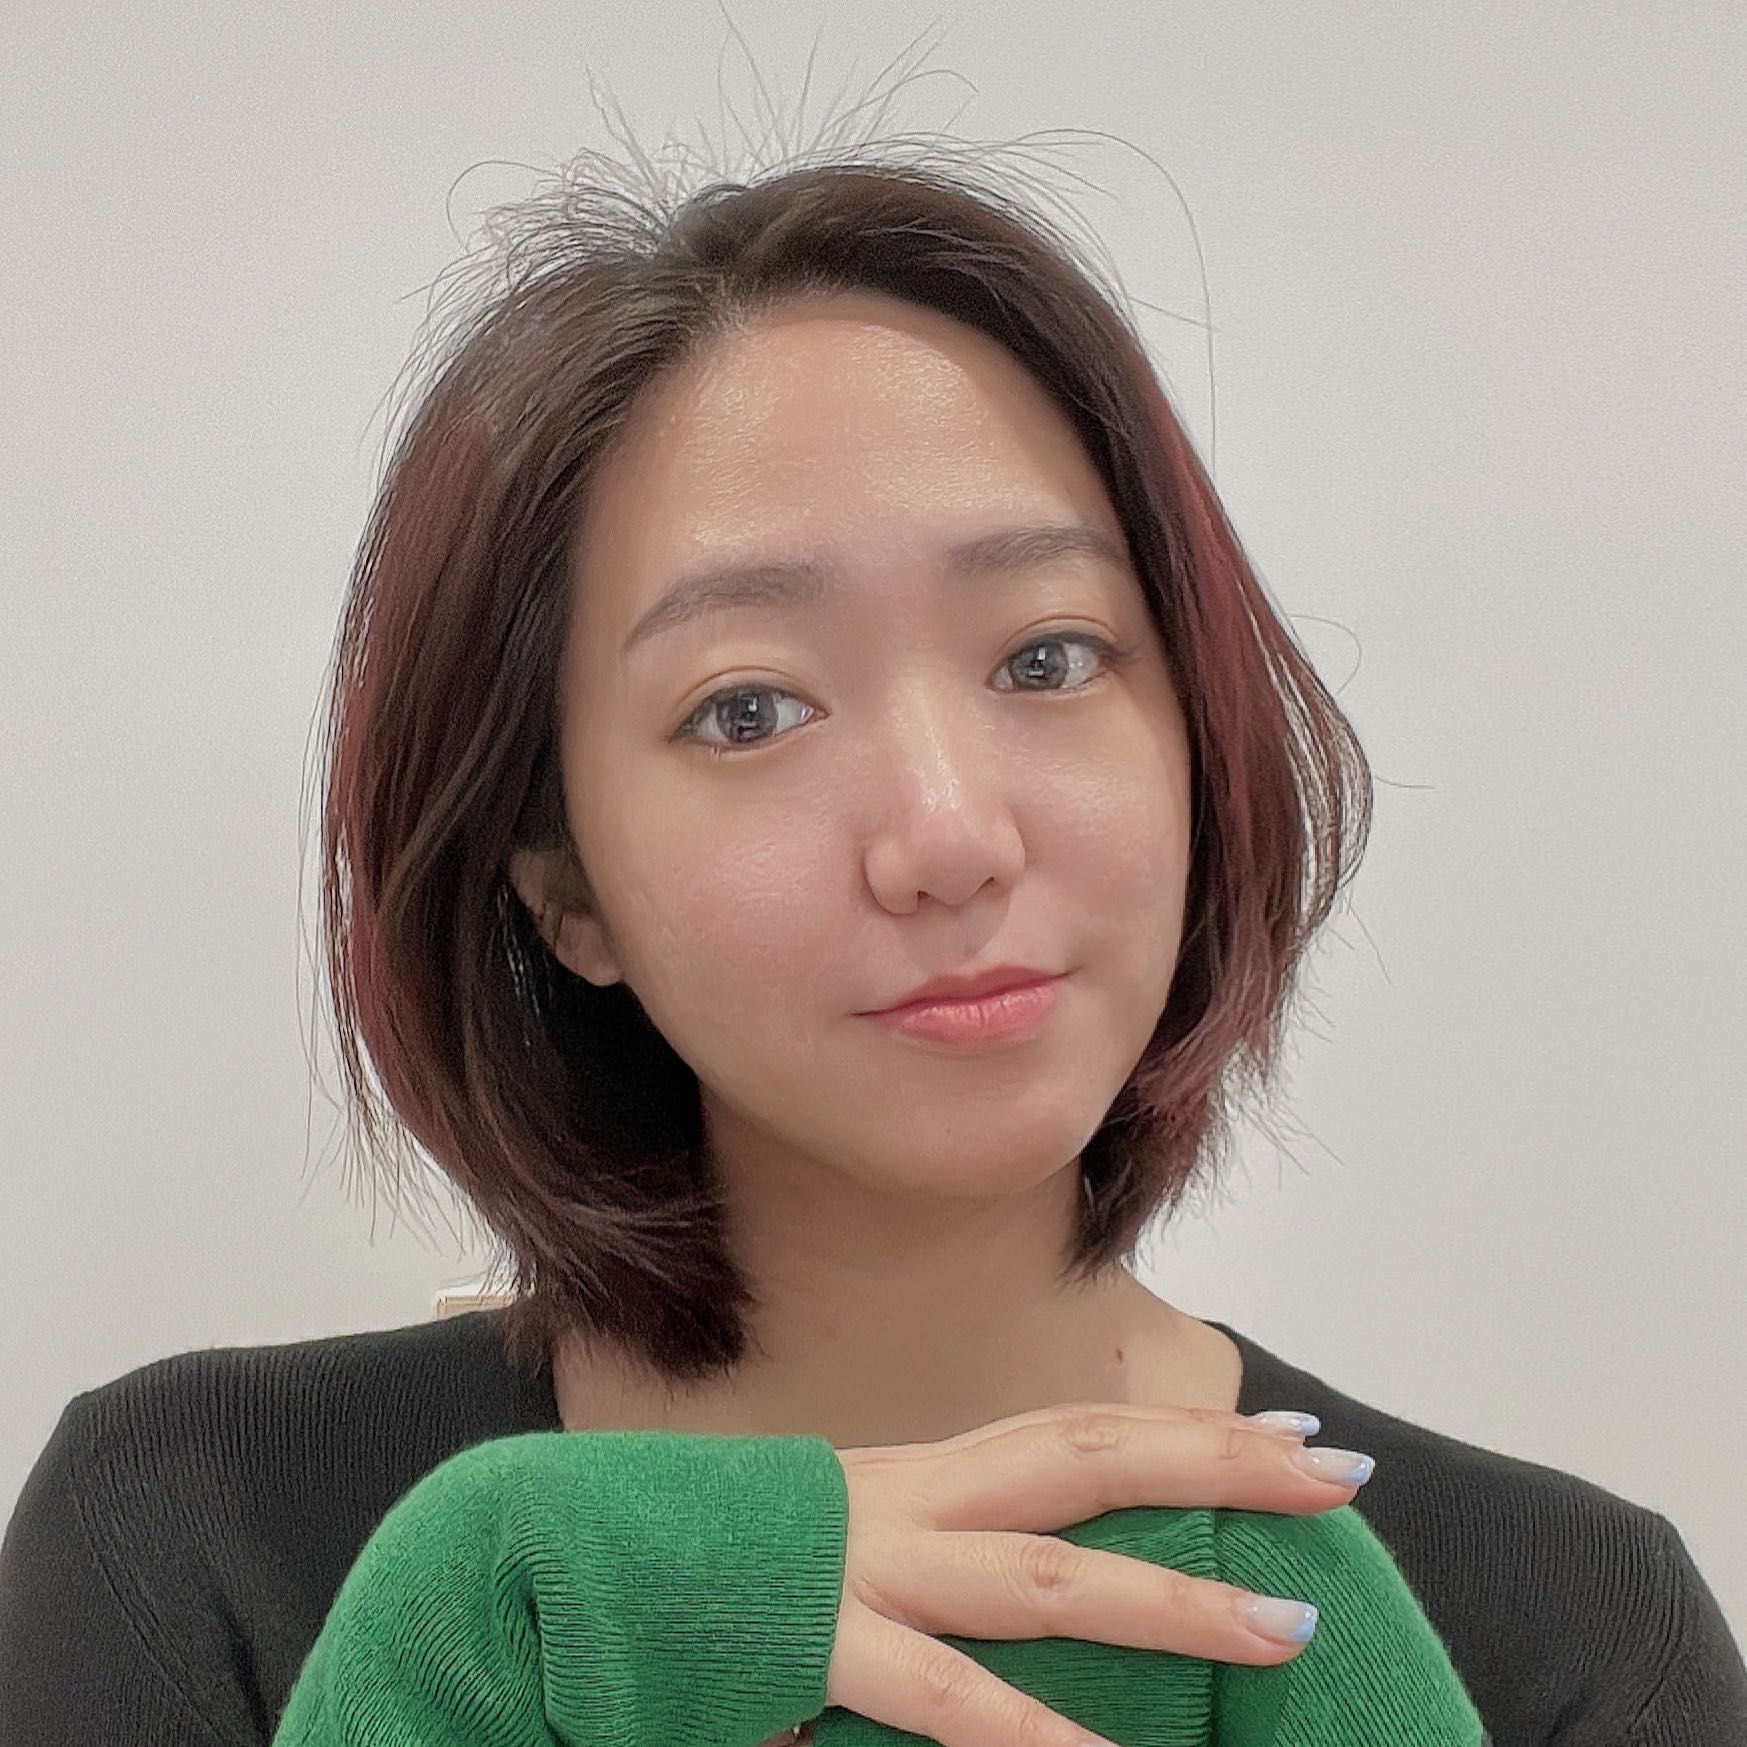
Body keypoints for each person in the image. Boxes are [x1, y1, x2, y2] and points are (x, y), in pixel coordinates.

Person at [2, 139, 1742, 1745]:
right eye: (748, 707)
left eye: (1048, 657)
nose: (949, 833)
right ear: (563, 886)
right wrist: (476, 1621)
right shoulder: (195, 1533)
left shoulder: (1577, 1634)